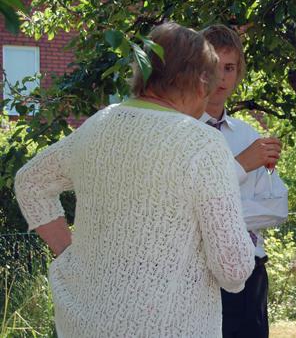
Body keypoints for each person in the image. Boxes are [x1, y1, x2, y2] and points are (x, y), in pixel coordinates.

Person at [14, 22, 255, 338]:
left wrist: (66, 250)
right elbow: (233, 269)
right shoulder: (202, 143)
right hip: (166, 328)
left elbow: (30, 181)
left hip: (83, 322)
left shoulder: (99, 124)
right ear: (200, 83)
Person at [200, 24, 288, 338]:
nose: (221, 77)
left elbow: (277, 207)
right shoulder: (177, 134)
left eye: (229, 68)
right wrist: (239, 168)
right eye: (212, 66)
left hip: (249, 275)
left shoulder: (250, 136)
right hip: (194, 276)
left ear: (239, 74)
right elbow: (179, 206)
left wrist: (212, 216)